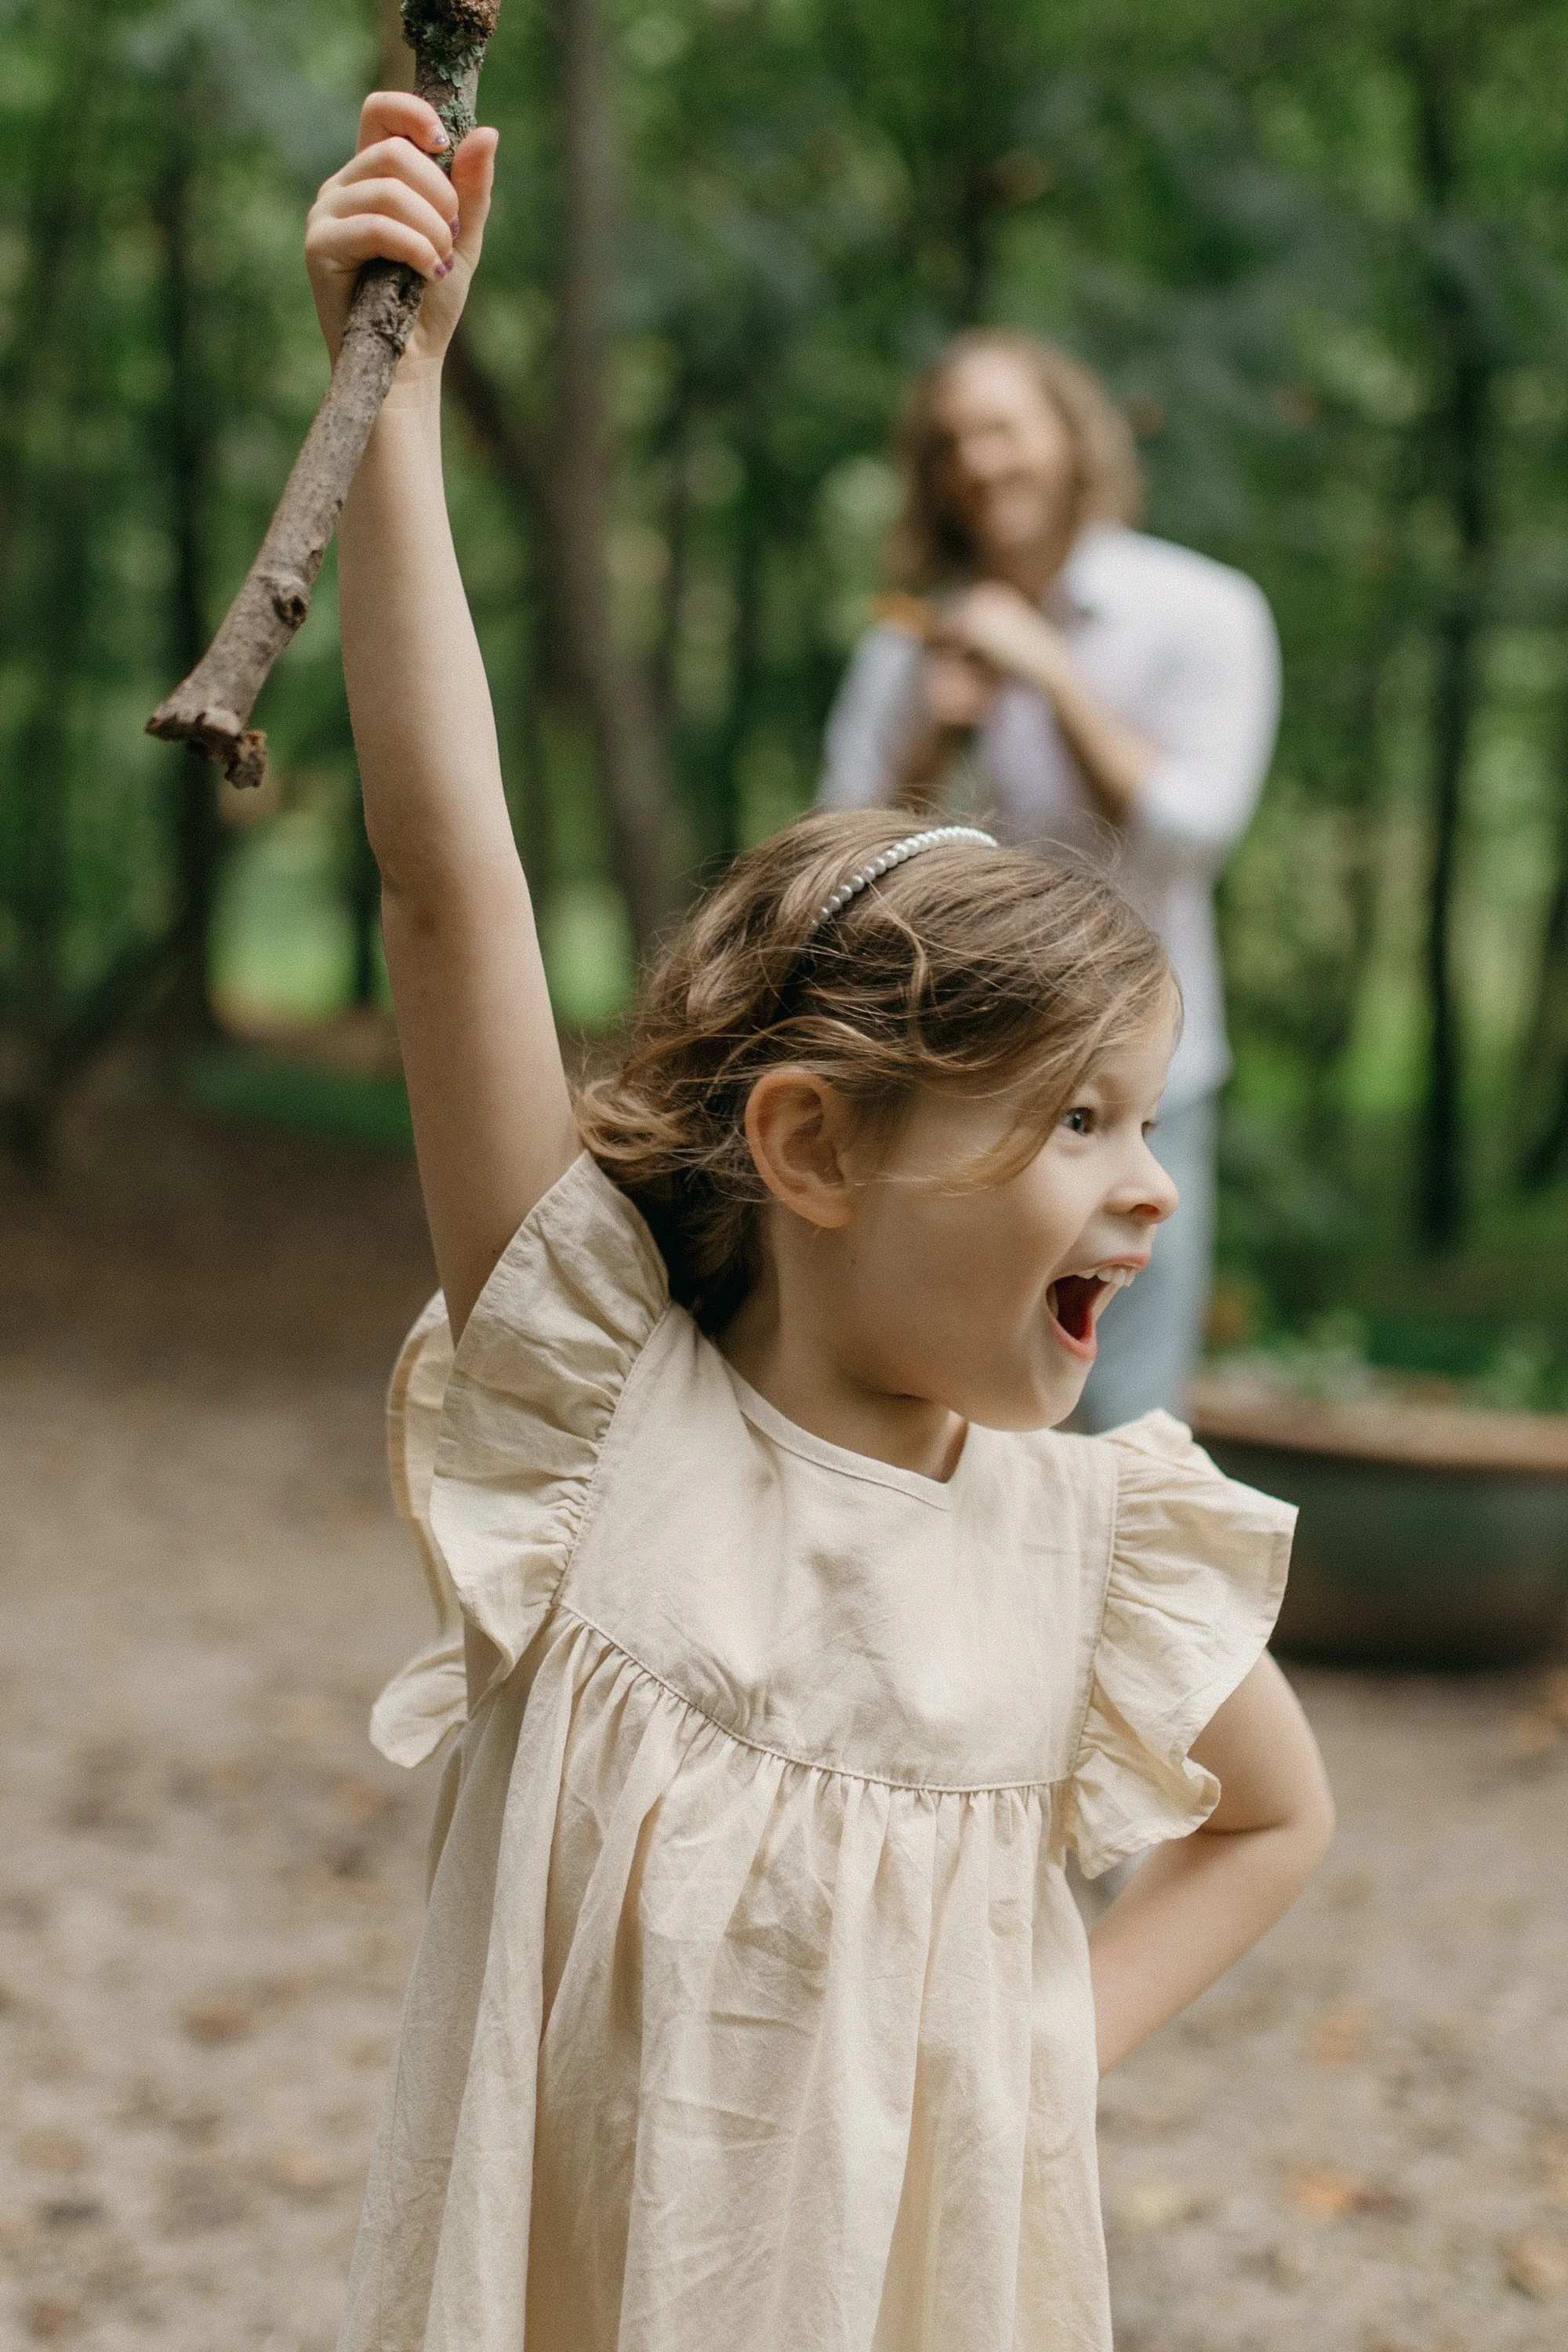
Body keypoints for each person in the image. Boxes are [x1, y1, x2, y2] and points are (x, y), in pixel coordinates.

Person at [307, 95, 1334, 2352]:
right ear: (812, 1149)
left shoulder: (1088, 1551)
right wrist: (391, 401)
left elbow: (1276, 1821)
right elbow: (447, 890)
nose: (1149, 1183)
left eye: (1147, 1118)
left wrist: (1049, 2048)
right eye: (1075, 1120)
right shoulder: (600, 1407)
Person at [820, 331, 1281, 1432]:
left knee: (1123, 1424)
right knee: (946, 1408)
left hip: (1150, 1092)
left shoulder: (1204, 611)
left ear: (1070, 442)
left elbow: (1191, 833)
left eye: (1000, 430)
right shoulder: (907, 646)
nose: (976, 463)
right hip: (950, 1083)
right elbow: (839, 866)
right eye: (949, 444)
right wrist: (929, 736)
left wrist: (1051, 675)